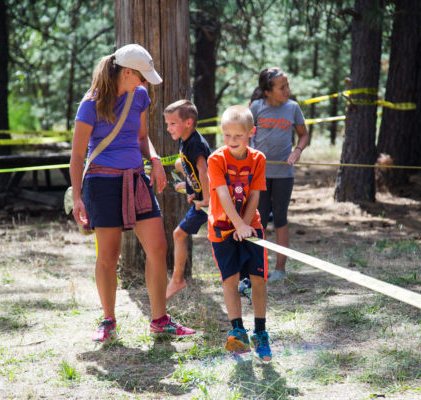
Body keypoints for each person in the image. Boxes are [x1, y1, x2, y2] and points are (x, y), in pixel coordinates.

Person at [70, 44, 195, 343]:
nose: (144, 83)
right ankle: (108, 320)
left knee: (158, 247)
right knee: (108, 256)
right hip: (101, 184)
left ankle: (159, 320)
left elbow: (141, 137)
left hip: (136, 181)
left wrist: (154, 161)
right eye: (141, 76)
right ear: (127, 72)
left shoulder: (139, 96)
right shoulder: (91, 104)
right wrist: (77, 196)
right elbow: (77, 156)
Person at [207, 105, 272, 362]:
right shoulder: (216, 159)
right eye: (227, 136)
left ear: (251, 133)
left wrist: (245, 225)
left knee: (258, 279)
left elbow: (255, 194)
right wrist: (236, 226)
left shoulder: (258, 159)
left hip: (250, 226)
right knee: (230, 280)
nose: (232, 141)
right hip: (222, 229)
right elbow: (222, 194)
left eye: (238, 136)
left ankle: (261, 332)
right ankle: (237, 330)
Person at [249, 67, 309, 282]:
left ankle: (280, 270)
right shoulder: (256, 107)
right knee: (260, 219)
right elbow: (246, 134)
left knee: (281, 218)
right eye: (282, 87)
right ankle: (258, 267)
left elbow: (303, 135)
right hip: (260, 175)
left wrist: (297, 150)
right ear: (268, 91)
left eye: (287, 86)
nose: (287, 90)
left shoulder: (292, 108)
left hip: (284, 173)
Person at [163, 99, 211, 300]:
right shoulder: (185, 140)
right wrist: (190, 185)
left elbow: (204, 171)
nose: (168, 128)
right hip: (201, 194)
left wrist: (206, 200)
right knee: (178, 163)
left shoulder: (195, 144)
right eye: (167, 124)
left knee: (178, 235)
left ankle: (177, 279)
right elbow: (190, 168)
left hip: (210, 200)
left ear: (188, 122)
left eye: (173, 124)